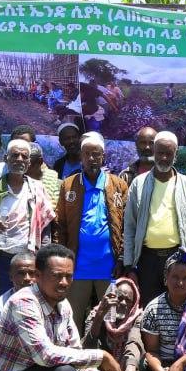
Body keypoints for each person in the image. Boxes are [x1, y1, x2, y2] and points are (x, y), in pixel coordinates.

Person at [56, 132, 128, 326]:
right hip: (78, 267)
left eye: (96, 154)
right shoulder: (69, 185)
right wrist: (64, 259)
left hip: (109, 268)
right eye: (87, 154)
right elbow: (60, 224)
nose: (91, 158)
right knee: (72, 320)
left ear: (103, 156)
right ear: (81, 156)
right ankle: (75, 356)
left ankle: (107, 355)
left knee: (110, 321)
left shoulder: (118, 185)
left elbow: (127, 226)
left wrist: (121, 258)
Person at [123, 131, 186, 303]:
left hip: (179, 259)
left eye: (169, 153)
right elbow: (129, 227)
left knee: (178, 309)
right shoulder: (139, 183)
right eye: (160, 152)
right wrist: (129, 266)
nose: (164, 158)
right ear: (154, 151)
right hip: (147, 261)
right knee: (148, 311)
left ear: (176, 155)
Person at [0, 139, 57, 295]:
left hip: (28, 260)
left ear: (29, 162)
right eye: (15, 155)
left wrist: (42, 257)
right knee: (0, 305)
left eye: (24, 156)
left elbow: (45, 228)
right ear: (6, 158)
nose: (19, 159)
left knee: (27, 304)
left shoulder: (37, 189)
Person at [81, 277, 144, 371]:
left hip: (127, 370)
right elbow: (86, 348)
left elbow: (134, 342)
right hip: (103, 369)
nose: (124, 303)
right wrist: (100, 316)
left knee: (142, 358)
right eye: (120, 298)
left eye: (128, 300)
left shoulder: (137, 317)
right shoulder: (96, 314)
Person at [0, 251, 37, 346]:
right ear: (10, 277)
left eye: (32, 273)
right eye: (21, 273)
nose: (27, 278)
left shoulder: (50, 301)